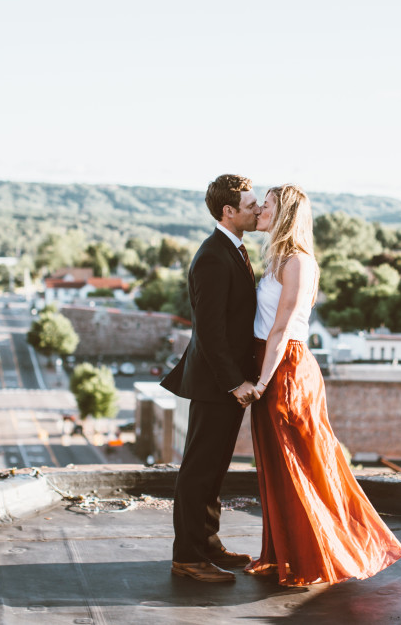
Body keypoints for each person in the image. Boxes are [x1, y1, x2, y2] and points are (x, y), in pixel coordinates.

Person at [238, 184, 401, 586]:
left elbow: (281, 329)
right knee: (279, 467)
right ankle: (289, 554)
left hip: (285, 370)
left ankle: (322, 555)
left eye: (268, 205)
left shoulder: (298, 262)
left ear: (285, 215)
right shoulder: (277, 258)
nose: (260, 209)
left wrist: (261, 382)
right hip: (271, 365)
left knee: (300, 466)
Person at [160, 174, 262, 583]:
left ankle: (207, 542)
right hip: (217, 384)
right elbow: (210, 331)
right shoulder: (212, 257)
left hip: (225, 383)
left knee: (215, 468)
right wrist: (233, 382)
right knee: (198, 471)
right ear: (229, 211)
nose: (257, 210)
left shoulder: (232, 250)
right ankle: (186, 557)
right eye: (251, 204)